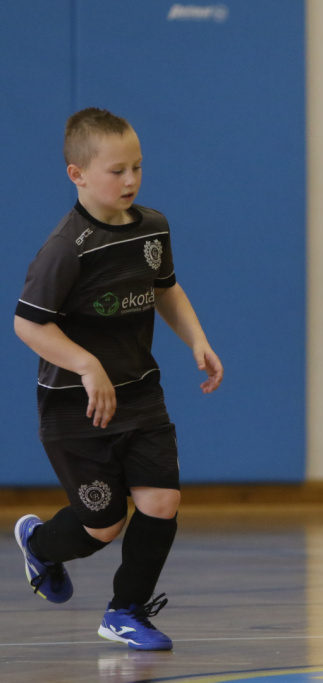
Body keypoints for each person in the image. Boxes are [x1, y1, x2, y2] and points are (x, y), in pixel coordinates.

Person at [12, 107, 224, 651]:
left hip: (140, 392)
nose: (131, 180)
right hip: (76, 407)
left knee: (162, 501)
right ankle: (40, 543)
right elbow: (28, 323)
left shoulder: (153, 227)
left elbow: (165, 287)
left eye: (137, 167)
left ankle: (125, 612)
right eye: (116, 171)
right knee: (102, 526)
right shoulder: (66, 248)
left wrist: (196, 338)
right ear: (77, 174)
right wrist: (87, 365)